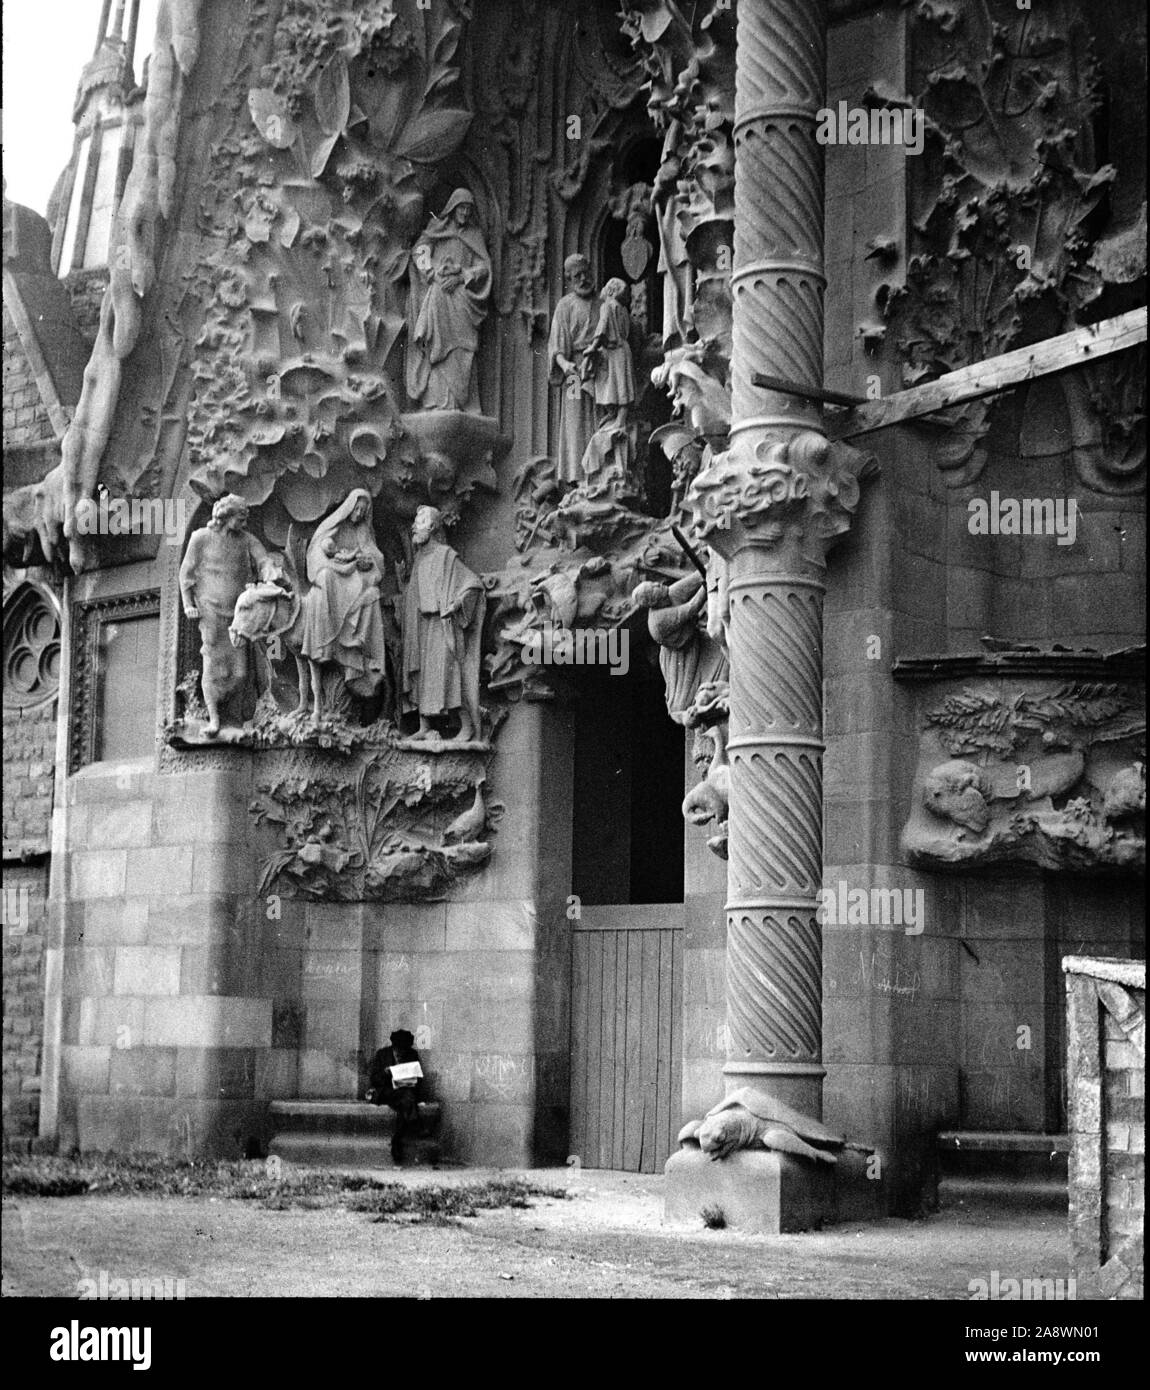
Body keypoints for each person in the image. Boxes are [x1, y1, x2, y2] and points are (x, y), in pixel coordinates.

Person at [178, 494, 280, 736]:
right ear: (225, 516)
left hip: (239, 615)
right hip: (210, 610)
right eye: (240, 518)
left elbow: (263, 559)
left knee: (240, 671)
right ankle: (213, 719)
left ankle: (233, 718)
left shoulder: (246, 540)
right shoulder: (200, 538)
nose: (243, 524)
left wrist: (269, 572)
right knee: (213, 665)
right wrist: (187, 604)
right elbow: (185, 574)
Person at [401, 505, 486, 743]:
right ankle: (424, 726)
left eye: (420, 523)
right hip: (422, 626)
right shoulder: (419, 558)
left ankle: (467, 726)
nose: (414, 528)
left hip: (442, 624)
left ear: (433, 526)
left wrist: (458, 603)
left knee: (448, 676)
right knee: (423, 676)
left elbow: (473, 582)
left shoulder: (446, 555)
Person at [406, 189, 492, 412]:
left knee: (463, 349)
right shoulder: (437, 229)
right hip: (439, 296)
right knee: (438, 349)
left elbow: (484, 268)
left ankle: (461, 404)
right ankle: (436, 402)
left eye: (468, 209)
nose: (465, 212)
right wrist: (433, 273)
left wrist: (462, 274)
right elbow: (419, 251)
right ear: (452, 208)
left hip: (463, 301)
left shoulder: (473, 235)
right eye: (461, 207)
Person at [632, 573, 729, 724]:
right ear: (652, 601)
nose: (657, 585)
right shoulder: (658, 620)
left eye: (653, 583)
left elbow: (694, 579)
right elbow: (692, 608)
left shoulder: (667, 593)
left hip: (696, 640)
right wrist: (708, 581)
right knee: (683, 701)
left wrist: (707, 570)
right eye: (653, 589)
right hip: (681, 655)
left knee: (722, 648)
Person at [547, 253, 599, 487]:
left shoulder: (603, 304)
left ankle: (599, 474)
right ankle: (578, 478)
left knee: (599, 420)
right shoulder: (565, 305)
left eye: (586, 274)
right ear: (569, 279)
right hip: (574, 374)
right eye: (577, 276)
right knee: (575, 421)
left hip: (599, 369)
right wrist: (565, 364)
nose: (583, 279)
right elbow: (556, 346)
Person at [366, 1029, 424, 1164]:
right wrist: (386, 1073)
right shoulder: (382, 1054)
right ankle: (415, 1123)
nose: (401, 1053)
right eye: (398, 1049)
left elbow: (419, 1078)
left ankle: (397, 1143)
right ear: (393, 1046)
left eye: (404, 1049)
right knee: (406, 1099)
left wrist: (410, 1079)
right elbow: (374, 1079)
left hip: (404, 1092)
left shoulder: (412, 1054)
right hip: (386, 1091)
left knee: (404, 1102)